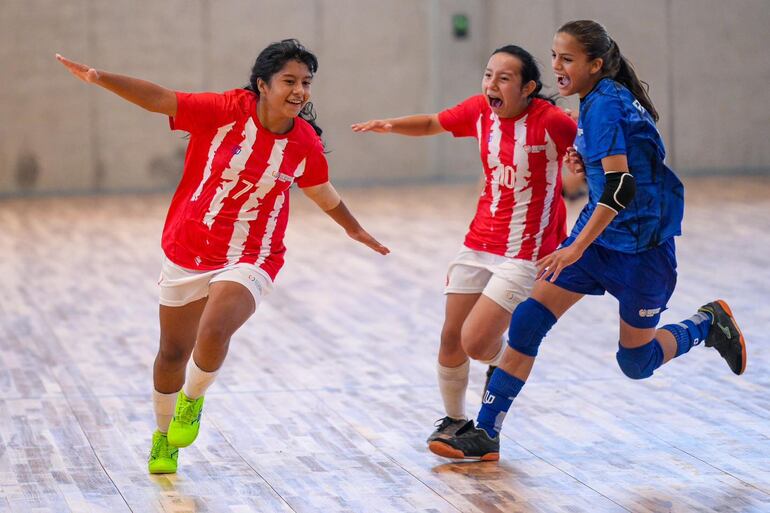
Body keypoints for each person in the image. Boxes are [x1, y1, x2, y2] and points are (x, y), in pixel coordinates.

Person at [56, 39, 389, 474]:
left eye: (306, 82)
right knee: (172, 353)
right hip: (189, 245)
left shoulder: (304, 142)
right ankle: (163, 438)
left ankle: (191, 403)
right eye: (289, 81)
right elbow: (160, 99)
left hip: (254, 252)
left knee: (214, 329)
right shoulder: (225, 110)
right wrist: (100, 78)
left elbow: (320, 190)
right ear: (262, 85)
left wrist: (353, 228)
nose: (299, 91)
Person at [429, 20, 747, 461]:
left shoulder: (605, 105)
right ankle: (486, 432)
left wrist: (575, 246)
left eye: (568, 59)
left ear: (595, 64)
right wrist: (586, 164)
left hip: (642, 250)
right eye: (554, 56)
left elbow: (622, 187)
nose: (557, 66)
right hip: (598, 239)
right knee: (528, 320)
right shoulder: (597, 99)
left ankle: (707, 324)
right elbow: (615, 166)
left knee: (636, 362)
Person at [352, 45, 576, 445]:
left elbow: (597, 153)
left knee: (476, 342)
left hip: (524, 253)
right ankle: (454, 420)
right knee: (451, 338)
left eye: (503, 78)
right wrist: (390, 125)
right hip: (478, 242)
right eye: (488, 75)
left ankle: (508, 361)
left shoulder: (552, 121)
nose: (491, 85)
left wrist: (581, 166)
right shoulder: (479, 111)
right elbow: (431, 123)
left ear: (528, 88)